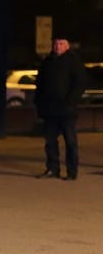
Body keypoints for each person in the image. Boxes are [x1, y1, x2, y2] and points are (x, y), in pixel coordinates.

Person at [33, 33, 86, 180]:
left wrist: (70, 101)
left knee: (70, 142)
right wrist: (38, 101)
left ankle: (71, 172)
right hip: (49, 109)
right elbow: (40, 83)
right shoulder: (47, 62)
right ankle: (52, 169)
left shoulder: (73, 61)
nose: (57, 46)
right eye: (56, 43)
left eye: (61, 44)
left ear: (67, 46)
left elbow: (80, 84)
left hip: (67, 110)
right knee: (50, 142)